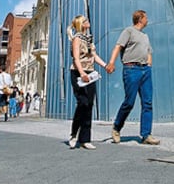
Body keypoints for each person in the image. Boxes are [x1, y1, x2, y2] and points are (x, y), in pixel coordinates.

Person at [106, 10, 160, 145]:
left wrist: (149, 65)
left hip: (145, 70)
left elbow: (149, 52)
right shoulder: (129, 31)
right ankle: (116, 127)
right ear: (140, 19)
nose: (147, 20)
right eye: (146, 17)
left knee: (147, 103)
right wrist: (111, 62)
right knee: (129, 102)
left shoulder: (145, 36)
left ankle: (146, 135)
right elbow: (118, 47)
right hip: (131, 69)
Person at [67, 15, 109, 150]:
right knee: (83, 102)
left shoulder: (89, 39)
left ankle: (85, 139)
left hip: (91, 73)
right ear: (81, 24)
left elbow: (94, 56)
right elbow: (76, 58)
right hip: (78, 72)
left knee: (89, 104)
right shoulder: (77, 39)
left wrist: (105, 65)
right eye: (85, 21)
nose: (88, 22)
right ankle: (74, 134)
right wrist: (82, 73)